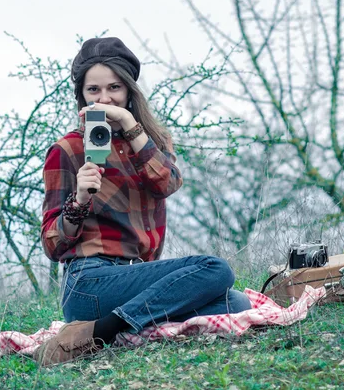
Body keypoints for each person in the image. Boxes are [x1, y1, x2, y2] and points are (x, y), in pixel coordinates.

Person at [34, 37, 251, 365]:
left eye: (114, 88)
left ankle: (108, 327)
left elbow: (168, 183)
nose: (104, 98)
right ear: (81, 95)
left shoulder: (150, 143)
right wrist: (78, 201)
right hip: (90, 283)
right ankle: (102, 331)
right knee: (215, 269)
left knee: (236, 304)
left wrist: (130, 127)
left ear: (129, 92)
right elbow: (52, 245)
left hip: (141, 277)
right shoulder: (67, 150)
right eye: (93, 90)